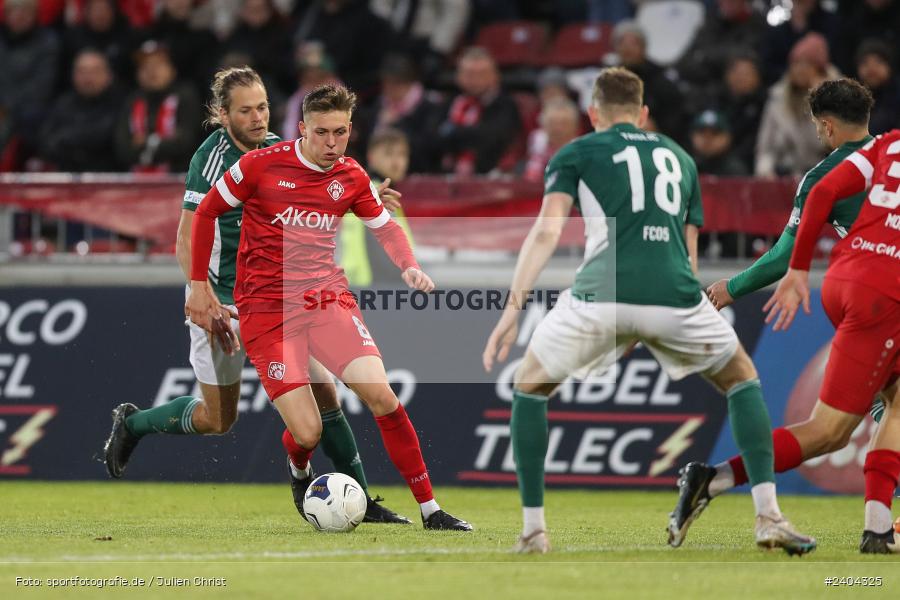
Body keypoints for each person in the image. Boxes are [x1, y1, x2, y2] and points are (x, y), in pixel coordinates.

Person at [481, 67, 814, 555]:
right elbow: (689, 252)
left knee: (529, 387)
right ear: (643, 115)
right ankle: (768, 516)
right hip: (675, 295)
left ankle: (534, 532)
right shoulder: (680, 157)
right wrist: (661, 320)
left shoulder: (575, 152)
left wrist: (512, 310)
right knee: (742, 379)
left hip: (601, 296)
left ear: (593, 114)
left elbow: (549, 232)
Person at [103, 68, 410, 525]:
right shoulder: (211, 159)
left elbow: (314, 205)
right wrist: (198, 291)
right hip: (219, 299)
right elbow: (188, 234)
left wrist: (364, 201)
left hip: (276, 300)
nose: (257, 117)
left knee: (325, 391)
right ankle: (132, 423)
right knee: (217, 418)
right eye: (245, 109)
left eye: (263, 107)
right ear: (222, 114)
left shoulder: (279, 150)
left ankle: (362, 501)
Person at [185, 82, 472, 531]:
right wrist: (199, 287)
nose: (331, 143)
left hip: (325, 299)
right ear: (302, 129)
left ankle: (430, 509)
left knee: (382, 395)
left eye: (340, 133)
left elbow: (386, 227)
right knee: (308, 432)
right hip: (267, 310)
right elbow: (204, 213)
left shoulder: (352, 176)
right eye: (322, 133)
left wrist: (409, 266)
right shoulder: (259, 166)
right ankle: (299, 468)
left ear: (350, 129)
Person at [682, 78, 889, 546]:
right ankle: (877, 528)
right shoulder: (892, 159)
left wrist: (728, 289)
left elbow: (782, 256)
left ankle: (879, 529)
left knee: (857, 424)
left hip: (862, 295)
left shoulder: (825, 177)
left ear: (827, 126)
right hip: (886, 299)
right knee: (845, 427)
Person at [763, 127, 900, 554]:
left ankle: (880, 530)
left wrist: (799, 270)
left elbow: (822, 194)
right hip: (884, 293)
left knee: (891, 410)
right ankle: (716, 477)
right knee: (828, 432)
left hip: (849, 282)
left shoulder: (888, 143)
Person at [340, 127, 414, 287]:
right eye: (388, 154)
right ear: (371, 157)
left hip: (361, 287)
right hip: (372, 290)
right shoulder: (376, 196)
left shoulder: (368, 191)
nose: (396, 161)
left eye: (402, 155)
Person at [113, 41, 202, 172]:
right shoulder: (132, 100)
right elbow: (123, 149)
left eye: (158, 65)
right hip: (136, 182)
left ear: (172, 70)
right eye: (145, 66)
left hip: (179, 180)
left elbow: (186, 144)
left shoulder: (186, 96)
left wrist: (146, 143)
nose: (151, 71)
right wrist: (164, 142)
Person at [755, 33, 835, 177]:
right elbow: (765, 148)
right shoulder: (777, 99)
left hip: (825, 176)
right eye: (796, 63)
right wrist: (766, 171)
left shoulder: (838, 97)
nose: (800, 69)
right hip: (785, 178)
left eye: (808, 64)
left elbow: (834, 144)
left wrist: (818, 100)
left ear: (820, 69)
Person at [436, 46, 519, 175]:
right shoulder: (450, 103)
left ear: (495, 76)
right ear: (458, 77)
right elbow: (433, 139)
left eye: (481, 74)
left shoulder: (506, 105)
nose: (475, 80)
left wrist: (453, 132)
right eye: (469, 74)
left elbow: (491, 139)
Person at [39, 49, 123, 172]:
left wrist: (68, 140)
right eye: (82, 72)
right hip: (67, 177)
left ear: (109, 75)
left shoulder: (120, 103)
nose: (88, 78)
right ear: (73, 75)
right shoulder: (63, 103)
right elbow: (45, 143)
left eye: (95, 71)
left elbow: (110, 140)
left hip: (108, 178)